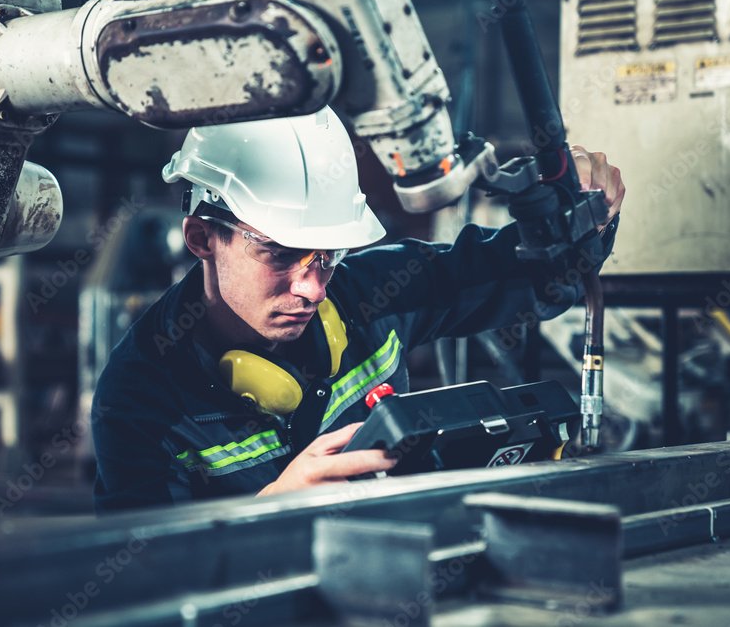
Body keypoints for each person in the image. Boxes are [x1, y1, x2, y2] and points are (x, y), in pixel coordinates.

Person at [91, 106, 624, 512]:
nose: (314, 288)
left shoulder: (374, 292)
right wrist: (272, 510)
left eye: (329, 255)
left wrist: (582, 221)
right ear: (202, 236)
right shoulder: (138, 398)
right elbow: (146, 583)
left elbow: (536, 280)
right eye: (279, 253)